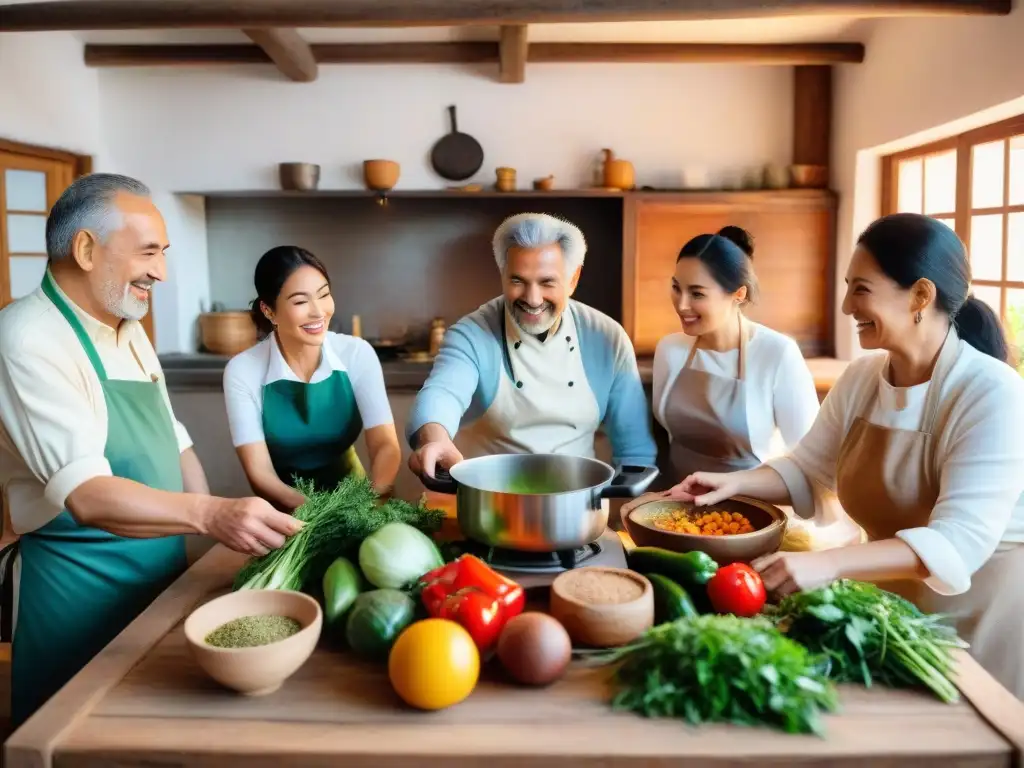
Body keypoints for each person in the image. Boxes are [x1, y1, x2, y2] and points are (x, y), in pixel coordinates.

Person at [662, 213, 1024, 698]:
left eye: (862, 289)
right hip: (887, 614)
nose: (846, 304)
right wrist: (735, 483)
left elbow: (956, 543)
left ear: (920, 296)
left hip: (978, 621)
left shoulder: (991, 391)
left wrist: (832, 563)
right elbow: (807, 468)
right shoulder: (863, 378)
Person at [0, 173, 302, 727]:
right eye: (147, 253)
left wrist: (215, 547)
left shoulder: (127, 327)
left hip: (161, 573)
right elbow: (87, 496)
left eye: (163, 253)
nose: (160, 271)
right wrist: (212, 515)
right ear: (86, 249)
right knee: (74, 737)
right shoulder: (25, 339)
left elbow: (175, 438)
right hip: (79, 589)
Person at [407, 212, 656, 479]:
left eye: (547, 282)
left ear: (573, 279)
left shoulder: (607, 337)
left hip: (579, 498)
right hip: (491, 497)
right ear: (502, 274)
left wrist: (632, 507)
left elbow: (634, 449)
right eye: (518, 281)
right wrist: (435, 440)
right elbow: (443, 393)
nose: (533, 299)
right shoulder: (473, 334)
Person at [223, 246, 400, 509]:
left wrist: (369, 502)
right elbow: (260, 473)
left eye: (324, 295)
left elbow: (385, 445)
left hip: (357, 502)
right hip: (283, 512)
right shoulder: (242, 371)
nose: (318, 311)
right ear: (269, 310)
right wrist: (320, 515)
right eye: (300, 301)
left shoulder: (356, 353)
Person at [651, 226, 819, 483]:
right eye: (676, 288)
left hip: (750, 511)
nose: (681, 304)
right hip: (676, 510)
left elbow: (812, 462)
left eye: (697, 293)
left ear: (739, 294)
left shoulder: (777, 354)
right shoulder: (670, 350)